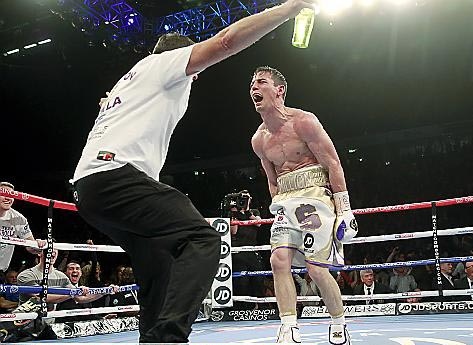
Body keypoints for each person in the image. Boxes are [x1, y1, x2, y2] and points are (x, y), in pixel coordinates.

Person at [71, 0, 319, 342]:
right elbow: (226, 42)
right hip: (116, 177)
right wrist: (287, 9)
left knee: (157, 262)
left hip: (89, 188)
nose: (196, 75)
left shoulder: (128, 83)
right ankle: (169, 338)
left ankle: (152, 338)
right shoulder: (162, 65)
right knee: (202, 239)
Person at [250, 66, 358, 344]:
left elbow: (333, 163)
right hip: (285, 201)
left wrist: (344, 208)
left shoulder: (304, 122)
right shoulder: (259, 140)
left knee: (316, 269)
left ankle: (338, 321)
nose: (254, 87)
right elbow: (272, 181)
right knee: (278, 260)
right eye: (252, 84)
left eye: (261, 82)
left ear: (279, 90)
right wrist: (276, 206)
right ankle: (288, 326)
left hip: (315, 198)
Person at [0, 182, 45, 273]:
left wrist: (39, 245)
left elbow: (30, 247)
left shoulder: (19, 219)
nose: (8, 198)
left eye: (11, 195)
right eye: (4, 194)